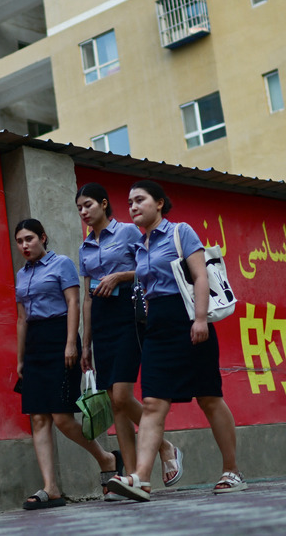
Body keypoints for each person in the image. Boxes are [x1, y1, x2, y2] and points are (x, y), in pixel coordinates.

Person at [106, 181, 246, 502]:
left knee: (208, 397)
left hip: (189, 319)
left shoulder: (181, 232)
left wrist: (199, 319)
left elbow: (199, 276)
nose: (133, 207)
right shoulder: (140, 247)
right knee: (154, 403)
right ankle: (141, 477)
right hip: (157, 326)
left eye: (140, 200)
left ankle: (232, 470)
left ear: (159, 203)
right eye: (129, 202)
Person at [75, 183, 182, 499]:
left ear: (104, 204)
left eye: (88, 204)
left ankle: (164, 445)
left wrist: (119, 276)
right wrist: (85, 343)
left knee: (122, 395)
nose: (83, 211)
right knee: (114, 402)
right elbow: (86, 297)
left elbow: (148, 266)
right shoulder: (84, 247)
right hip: (102, 320)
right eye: (79, 207)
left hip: (128, 314)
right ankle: (135, 479)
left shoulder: (126, 232)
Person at [14, 218, 122, 510]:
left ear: (43, 237)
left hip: (59, 336)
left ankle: (106, 459)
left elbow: (73, 303)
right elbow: (22, 318)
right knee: (38, 418)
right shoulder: (21, 275)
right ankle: (51, 488)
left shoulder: (61, 264)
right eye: (20, 241)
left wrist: (71, 343)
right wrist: (20, 358)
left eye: (30, 239)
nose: (25, 245)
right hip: (34, 343)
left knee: (62, 417)